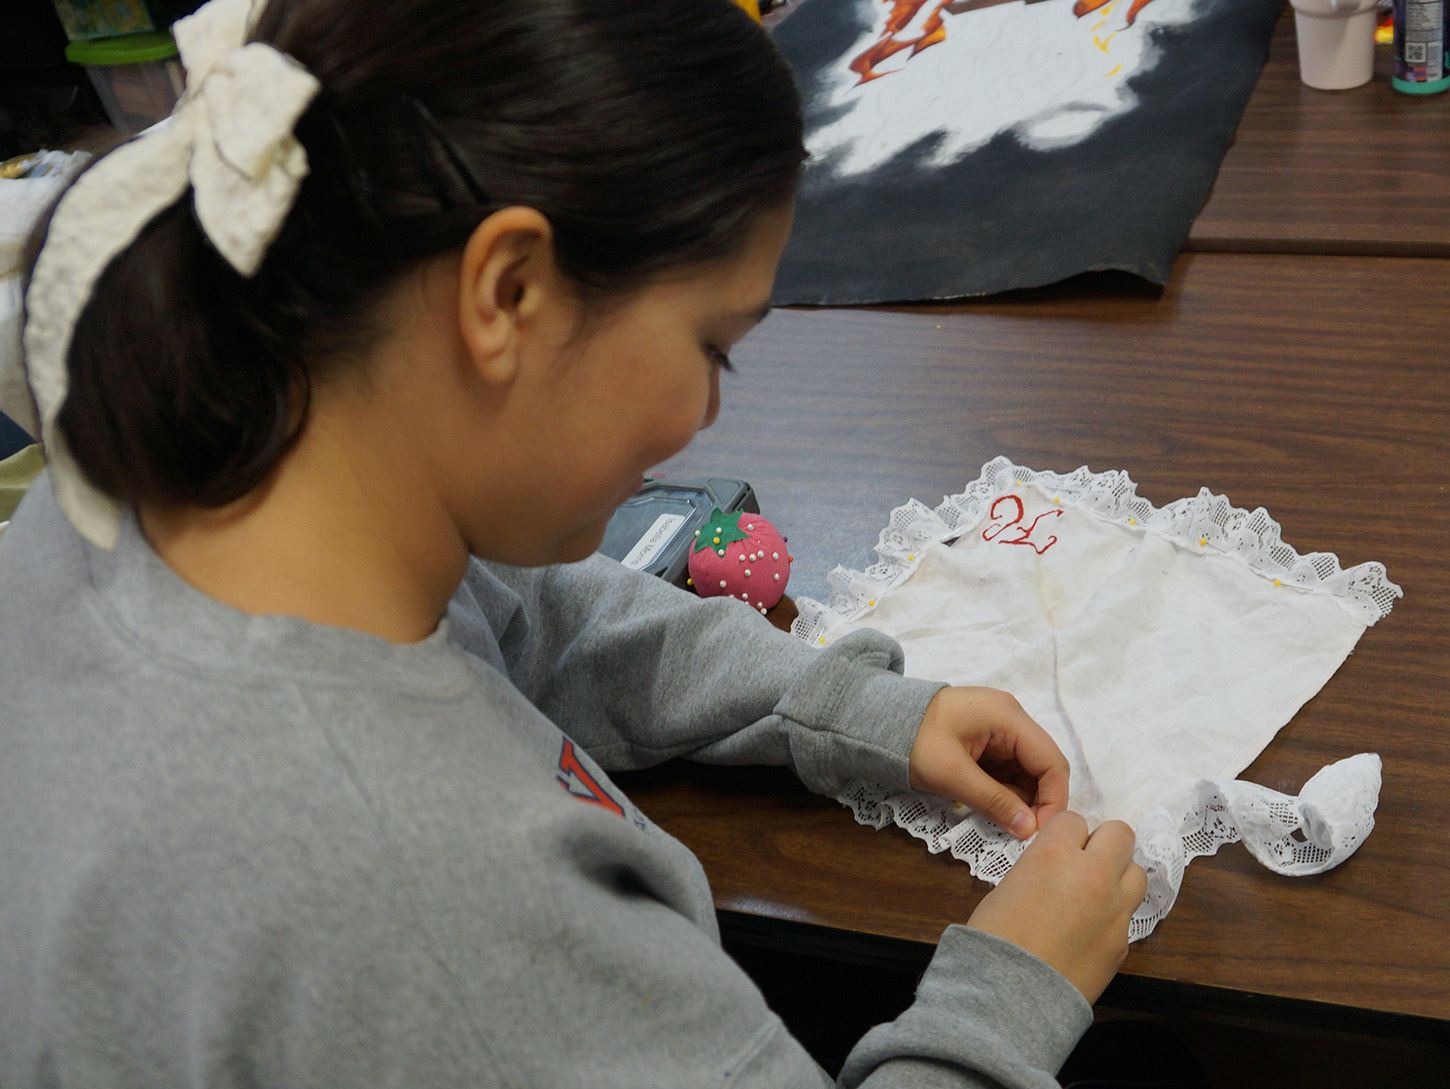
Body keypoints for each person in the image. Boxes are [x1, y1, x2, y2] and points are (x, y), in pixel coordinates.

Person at [0, 0, 1146, 1085]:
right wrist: (1011, 988)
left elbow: (524, 612)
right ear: (505, 290)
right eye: (712, 345)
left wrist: (840, 708)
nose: (706, 415)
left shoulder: (148, 479)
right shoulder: (428, 898)